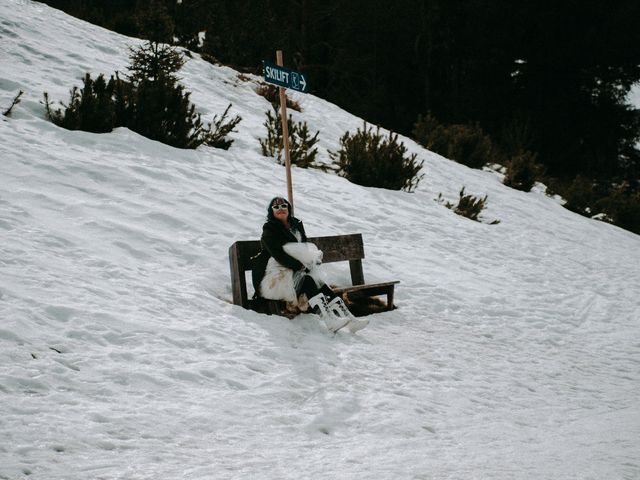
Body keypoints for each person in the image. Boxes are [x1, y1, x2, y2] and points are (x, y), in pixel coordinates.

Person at [252, 196, 368, 333]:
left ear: (288, 208)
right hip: (277, 273)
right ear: (271, 211)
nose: (280, 209)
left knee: (321, 284)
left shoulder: (296, 224)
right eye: (276, 207)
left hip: (297, 267)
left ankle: (350, 320)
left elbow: (303, 247)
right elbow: (279, 255)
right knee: (308, 281)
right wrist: (300, 266)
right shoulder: (269, 229)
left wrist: (312, 259)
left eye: (283, 206)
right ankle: (329, 320)